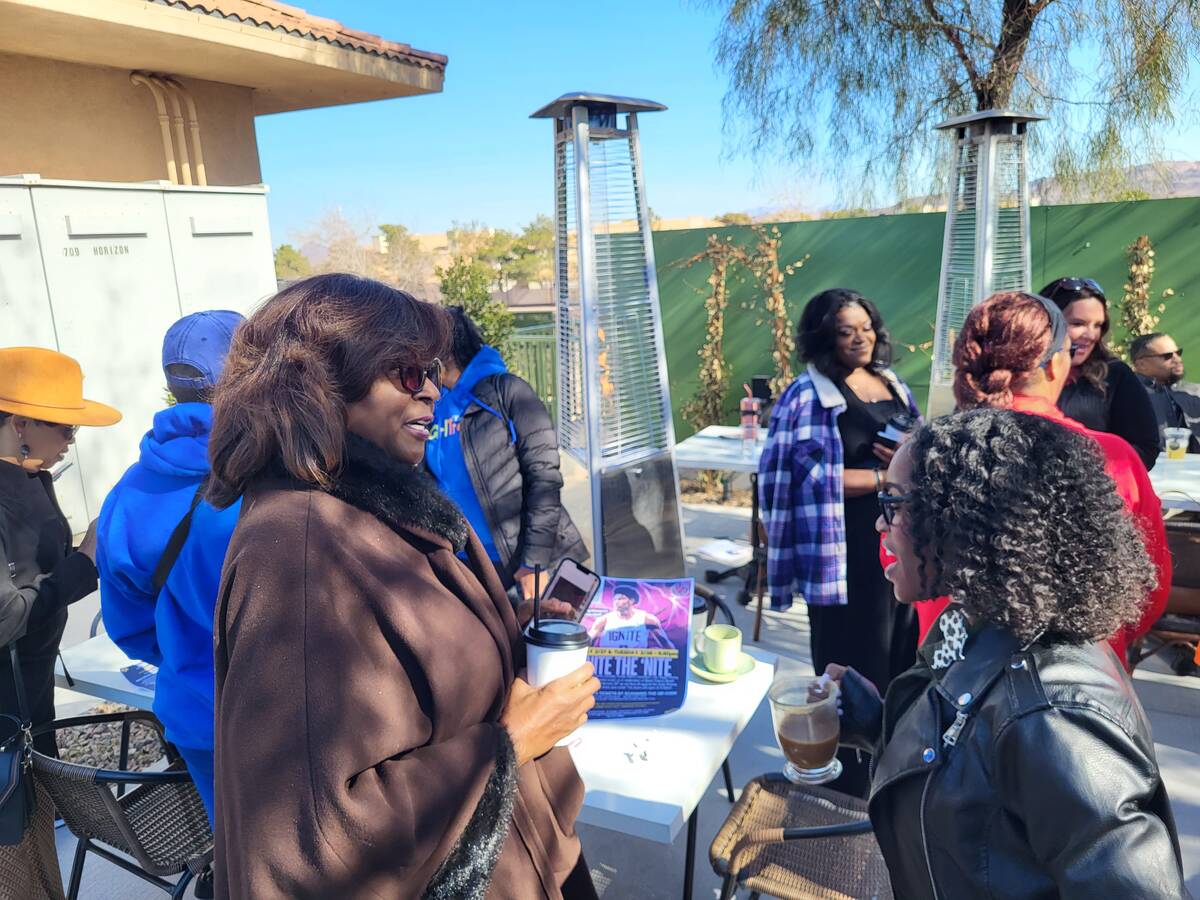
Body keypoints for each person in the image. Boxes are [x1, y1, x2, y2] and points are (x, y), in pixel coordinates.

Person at [205, 274, 600, 899]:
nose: (436, 390)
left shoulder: (382, 508)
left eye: (434, 370)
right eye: (408, 372)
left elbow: (415, 690)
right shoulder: (297, 548)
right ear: (319, 381)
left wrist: (507, 640)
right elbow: (309, 842)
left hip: (532, 861)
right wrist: (510, 747)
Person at [827, 409, 1190, 899]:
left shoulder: (1056, 716)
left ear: (961, 518)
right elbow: (976, 790)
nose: (879, 523)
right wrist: (880, 727)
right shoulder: (977, 626)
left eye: (892, 502)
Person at [927, 291, 1171, 667]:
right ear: (1057, 364)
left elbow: (902, 568)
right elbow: (1149, 588)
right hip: (1079, 683)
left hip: (952, 671)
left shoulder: (927, 451)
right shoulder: (1113, 458)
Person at [759, 287, 920, 796]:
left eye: (866, 327)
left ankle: (894, 770)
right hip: (841, 553)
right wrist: (882, 478)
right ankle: (846, 788)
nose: (860, 338)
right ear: (823, 336)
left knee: (900, 658)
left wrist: (907, 456)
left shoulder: (889, 382)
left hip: (897, 546)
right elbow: (807, 480)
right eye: (846, 330)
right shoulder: (807, 395)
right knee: (852, 667)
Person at [96, 309, 245, 825]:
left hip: (194, 717)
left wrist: (190, 654)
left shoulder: (127, 491)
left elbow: (128, 628)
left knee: (240, 863)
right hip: (287, 719)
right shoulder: (275, 476)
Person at [0, 347, 120, 900]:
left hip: (28, 694)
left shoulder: (25, 477)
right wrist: (85, 562)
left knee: (34, 829)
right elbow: (7, 615)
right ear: (18, 422)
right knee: (15, 846)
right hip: (9, 705)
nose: (72, 437)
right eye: (64, 424)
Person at [425, 307, 586, 604]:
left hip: (521, 563)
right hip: (464, 561)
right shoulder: (432, 404)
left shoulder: (508, 392)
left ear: (443, 351)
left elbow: (545, 478)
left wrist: (533, 563)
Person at [1041, 276, 1160, 468]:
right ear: (1046, 322)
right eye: (1078, 323)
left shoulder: (1115, 374)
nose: (1090, 335)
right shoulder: (1021, 373)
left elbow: (1145, 448)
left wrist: (1087, 475)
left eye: (1097, 325)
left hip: (1095, 492)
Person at [1131, 331, 1200, 451]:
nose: (1177, 359)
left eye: (1178, 353)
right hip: (1148, 468)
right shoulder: (1127, 395)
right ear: (1141, 364)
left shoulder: (1193, 392)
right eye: (1167, 356)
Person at [587, 584, 670, 649]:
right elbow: (586, 643)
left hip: (635, 664)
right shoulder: (603, 620)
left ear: (631, 600)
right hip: (608, 663)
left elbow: (666, 644)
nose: (616, 602)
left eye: (621, 598)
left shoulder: (647, 619)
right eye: (615, 599)